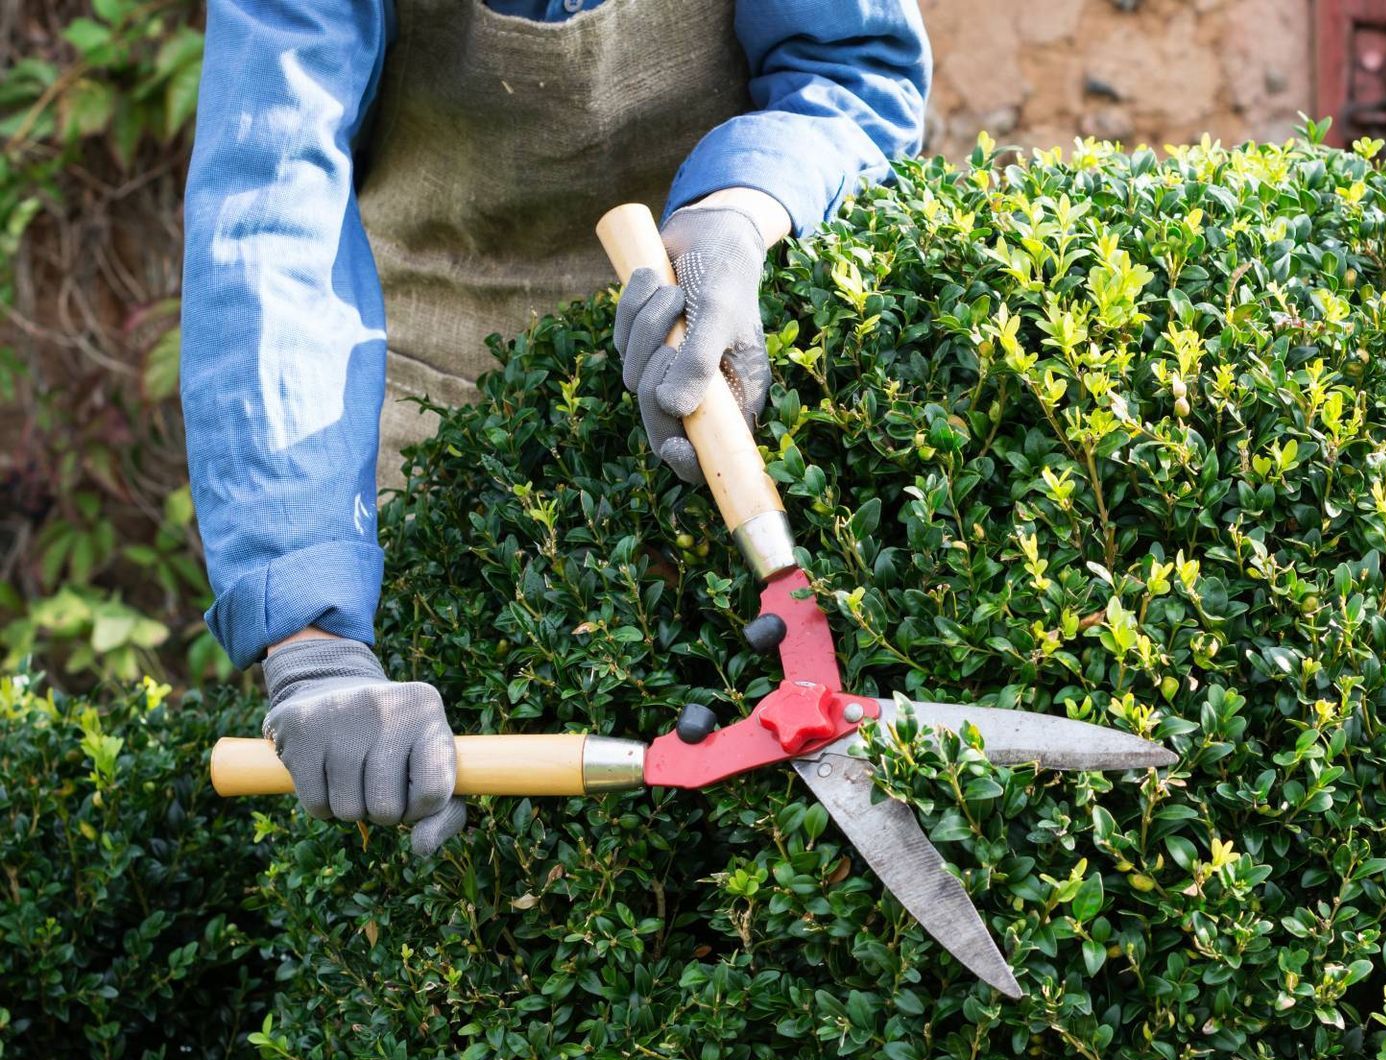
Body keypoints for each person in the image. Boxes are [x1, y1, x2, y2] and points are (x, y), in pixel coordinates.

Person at [179, 0, 931, 856]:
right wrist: (312, 641)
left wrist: (740, 208)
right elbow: (269, 201)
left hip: (719, 350)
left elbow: (852, 66)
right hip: (424, 395)